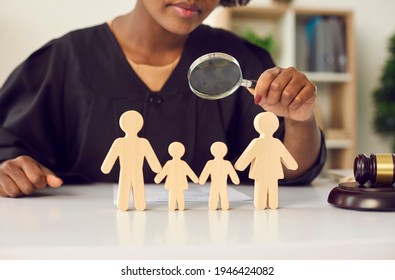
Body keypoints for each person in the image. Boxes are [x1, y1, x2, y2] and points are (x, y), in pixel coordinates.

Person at [0, 0, 326, 198]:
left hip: (210, 248)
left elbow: (285, 173)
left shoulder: (243, 61)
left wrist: (299, 119)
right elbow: (9, 149)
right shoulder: (63, 60)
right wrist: (9, 169)